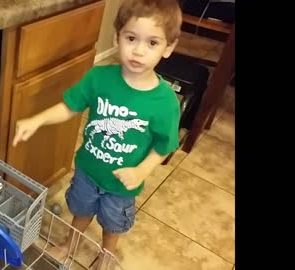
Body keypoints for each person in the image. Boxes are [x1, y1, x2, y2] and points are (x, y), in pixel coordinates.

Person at [12, 0, 182, 268]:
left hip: (122, 184)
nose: (138, 51)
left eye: (152, 43)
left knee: (113, 223)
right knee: (81, 210)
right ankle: (71, 244)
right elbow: (70, 105)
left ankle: (106, 255)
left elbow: (164, 145)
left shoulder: (165, 102)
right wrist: (37, 120)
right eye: (131, 38)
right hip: (88, 170)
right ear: (117, 37)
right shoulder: (99, 78)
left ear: (168, 47)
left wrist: (141, 171)